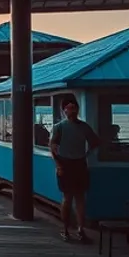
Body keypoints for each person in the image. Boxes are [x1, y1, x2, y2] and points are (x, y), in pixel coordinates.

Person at [49, 97, 101, 242]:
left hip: (79, 163)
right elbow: (52, 148)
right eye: (69, 108)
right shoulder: (59, 127)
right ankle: (65, 229)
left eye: (74, 108)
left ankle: (80, 229)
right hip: (65, 164)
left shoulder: (84, 126)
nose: (72, 111)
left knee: (80, 198)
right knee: (67, 197)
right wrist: (58, 165)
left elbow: (95, 142)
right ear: (64, 110)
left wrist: (86, 154)